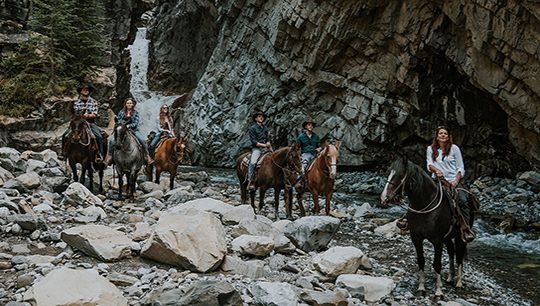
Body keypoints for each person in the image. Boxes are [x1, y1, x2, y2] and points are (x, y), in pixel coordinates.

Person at [426, 125, 475, 242]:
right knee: (421, 195)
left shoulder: (454, 149)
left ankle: (465, 228)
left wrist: (455, 181)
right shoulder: (430, 149)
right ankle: (411, 221)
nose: (443, 135)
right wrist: (436, 170)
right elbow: (429, 165)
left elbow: (460, 167)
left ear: (448, 136)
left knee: (463, 200)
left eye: (445, 134)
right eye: (440, 133)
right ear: (437, 136)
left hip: (453, 181)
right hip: (437, 180)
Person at [61, 84, 105, 161]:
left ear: (89, 91)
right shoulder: (77, 102)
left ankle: (99, 154)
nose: (85, 90)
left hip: (90, 122)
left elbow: (94, 114)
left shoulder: (93, 102)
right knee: (65, 135)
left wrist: (87, 116)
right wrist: (80, 116)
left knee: (98, 136)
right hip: (78, 123)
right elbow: (76, 113)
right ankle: (63, 153)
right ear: (81, 91)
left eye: (87, 89)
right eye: (83, 89)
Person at [104, 97, 154, 166]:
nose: (129, 104)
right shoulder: (121, 112)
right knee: (112, 141)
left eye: (130, 103)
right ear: (125, 104)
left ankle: (147, 156)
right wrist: (122, 126)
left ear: (133, 104)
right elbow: (118, 121)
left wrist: (128, 126)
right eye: (128, 103)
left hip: (133, 130)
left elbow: (136, 123)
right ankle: (109, 156)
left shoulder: (135, 113)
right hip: (122, 129)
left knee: (143, 140)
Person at [247, 111, 271, 190]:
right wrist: (264, 145)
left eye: (262, 117)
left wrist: (268, 144)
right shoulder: (252, 128)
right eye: (259, 116)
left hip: (266, 148)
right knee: (253, 162)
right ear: (256, 118)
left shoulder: (265, 128)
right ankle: (250, 180)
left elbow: (267, 138)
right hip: (257, 149)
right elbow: (254, 142)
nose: (261, 118)